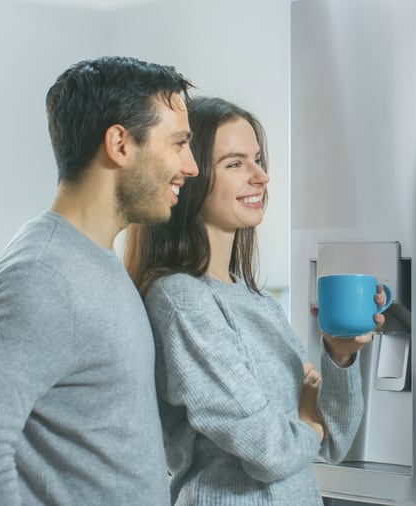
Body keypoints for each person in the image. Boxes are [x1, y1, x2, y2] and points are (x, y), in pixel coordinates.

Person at [0, 56, 199, 505]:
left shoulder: (96, 261)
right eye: (178, 143)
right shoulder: (39, 276)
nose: (191, 166)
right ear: (120, 144)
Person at [124, 95, 382, 505]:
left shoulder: (255, 302)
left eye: (258, 160)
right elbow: (272, 452)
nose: (260, 176)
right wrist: (305, 423)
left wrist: (339, 355)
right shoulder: (180, 299)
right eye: (235, 163)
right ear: (190, 178)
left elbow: (330, 443)